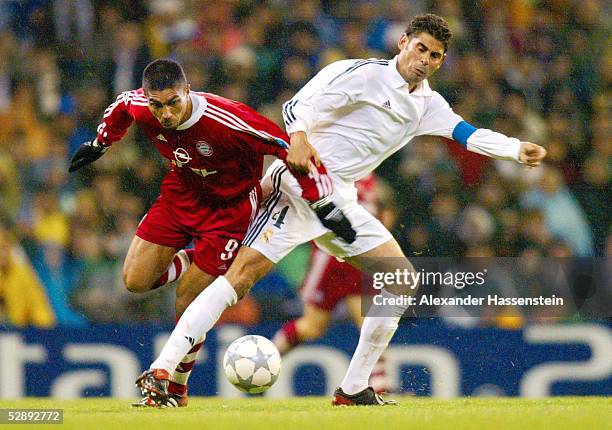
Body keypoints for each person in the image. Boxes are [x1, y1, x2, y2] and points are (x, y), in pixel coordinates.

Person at [137, 14, 547, 406]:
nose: (424, 60)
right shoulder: (362, 73)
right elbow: (298, 105)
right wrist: (297, 138)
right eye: (420, 48)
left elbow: (467, 134)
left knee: (401, 280)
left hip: (339, 201)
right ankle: (162, 369)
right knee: (240, 278)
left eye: (435, 55)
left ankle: (353, 388)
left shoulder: (428, 105)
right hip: (298, 187)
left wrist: (515, 149)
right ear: (403, 42)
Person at [68, 58, 354, 407]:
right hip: (180, 196)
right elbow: (122, 105)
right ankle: (192, 259)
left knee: (189, 299)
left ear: (187, 91)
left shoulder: (228, 119)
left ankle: (176, 388)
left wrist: (322, 201)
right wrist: (100, 144)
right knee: (135, 281)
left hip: (228, 213)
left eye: (173, 102)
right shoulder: (142, 106)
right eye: (157, 105)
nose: (166, 114)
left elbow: (290, 149)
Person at [272, 174, 394, 393]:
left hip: (362, 252)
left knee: (369, 319)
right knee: (312, 326)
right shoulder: (332, 166)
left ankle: (380, 385)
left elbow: (385, 209)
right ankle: (267, 357)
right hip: (330, 256)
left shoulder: (370, 173)